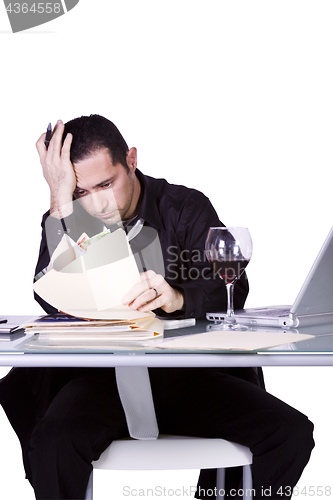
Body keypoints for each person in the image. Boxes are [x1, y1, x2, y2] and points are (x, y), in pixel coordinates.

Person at [0, 115, 314, 500]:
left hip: (188, 379)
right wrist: (60, 200)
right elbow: (49, 297)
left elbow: (232, 289)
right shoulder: (67, 217)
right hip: (99, 383)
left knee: (290, 433)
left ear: (131, 160)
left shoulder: (184, 206)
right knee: (52, 442)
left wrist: (178, 298)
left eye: (106, 183)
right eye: (82, 191)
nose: (97, 203)